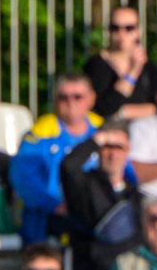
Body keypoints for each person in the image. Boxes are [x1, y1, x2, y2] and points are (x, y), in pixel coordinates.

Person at [11, 72, 101, 243]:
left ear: (91, 99)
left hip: (95, 214)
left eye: (77, 97)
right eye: (63, 97)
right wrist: (53, 204)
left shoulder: (104, 131)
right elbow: (23, 177)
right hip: (50, 215)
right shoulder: (41, 133)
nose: (70, 102)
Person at [58, 123, 141, 270]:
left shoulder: (135, 194)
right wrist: (98, 139)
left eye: (119, 147)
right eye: (107, 147)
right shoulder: (83, 185)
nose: (113, 154)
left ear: (128, 150)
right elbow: (69, 166)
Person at [85, 5, 157, 121]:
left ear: (138, 31)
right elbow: (104, 109)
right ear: (109, 30)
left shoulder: (149, 68)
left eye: (129, 28)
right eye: (115, 28)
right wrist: (133, 71)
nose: (121, 33)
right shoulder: (96, 65)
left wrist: (124, 112)